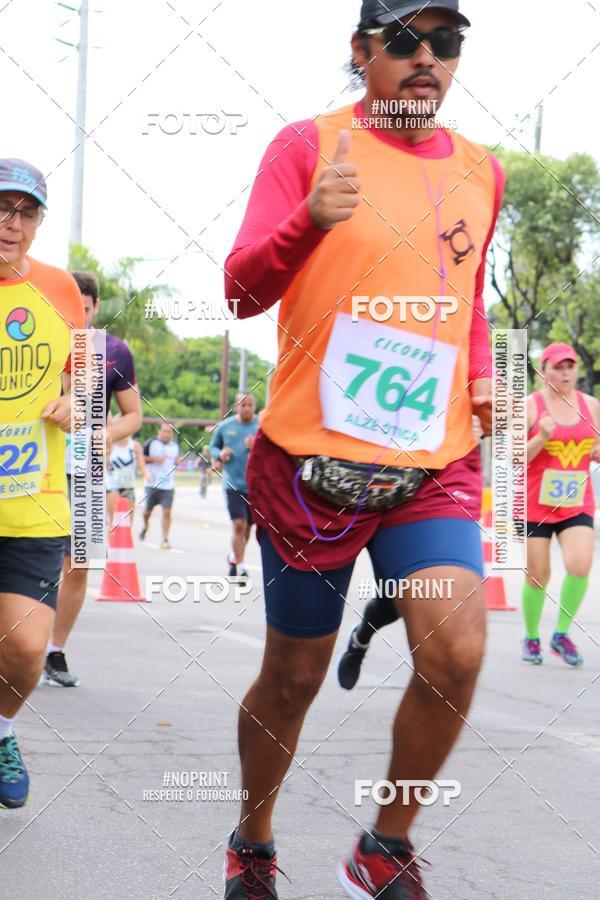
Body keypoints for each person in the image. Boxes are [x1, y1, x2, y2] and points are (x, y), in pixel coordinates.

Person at [222, 2, 505, 896]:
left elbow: (466, 301)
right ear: (361, 51)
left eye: (446, 42)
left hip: (433, 460)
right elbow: (238, 292)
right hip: (312, 465)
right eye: (404, 40)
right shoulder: (306, 145)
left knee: (457, 650)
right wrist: (306, 221)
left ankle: (384, 844)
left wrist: (483, 372)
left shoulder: (478, 171)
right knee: (294, 673)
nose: (427, 58)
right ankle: (255, 839)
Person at [0, 159, 85, 805]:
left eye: (26, 212)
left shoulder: (60, 289)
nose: (12, 223)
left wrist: (73, 404)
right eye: (3, 208)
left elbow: (84, 382)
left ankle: (1, 730)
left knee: (27, 649)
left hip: (34, 501)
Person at [43, 271, 142, 688]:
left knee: (78, 564)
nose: (77, 318)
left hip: (85, 468)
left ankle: (54, 651)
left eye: (84, 310)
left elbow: (133, 415)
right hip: (38, 465)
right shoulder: (41, 338)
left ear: (96, 307)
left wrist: (106, 433)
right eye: (71, 309)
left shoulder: (113, 351)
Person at [338, 416, 486, 690]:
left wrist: (482, 421)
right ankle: (359, 638)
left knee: (406, 598)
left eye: (571, 367)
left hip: (424, 484)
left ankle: (360, 640)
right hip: (343, 473)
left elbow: (494, 408)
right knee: (305, 655)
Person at [521, 343, 600, 667]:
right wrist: (540, 437)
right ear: (544, 371)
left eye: (570, 366)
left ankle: (561, 633)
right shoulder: (529, 406)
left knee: (579, 565)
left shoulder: (591, 405)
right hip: (534, 504)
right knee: (537, 576)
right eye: (557, 366)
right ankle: (531, 637)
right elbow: (514, 458)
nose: (565, 372)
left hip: (576, 502)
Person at [208, 392, 259, 578]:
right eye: (242, 405)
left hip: (254, 486)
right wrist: (220, 454)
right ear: (236, 406)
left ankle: (233, 556)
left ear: (254, 407)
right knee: (238, 524)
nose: (246, 408)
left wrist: (256, 446)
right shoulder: (225, 426)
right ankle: (242, 566)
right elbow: (212, 447)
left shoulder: (261, 426)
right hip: (232, 484)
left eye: (250, 405)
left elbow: (271, 451)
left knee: (247, 528)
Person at [139, 423, 182, 550]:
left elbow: (177, 460)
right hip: (152, 483)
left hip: (168, 485)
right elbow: (141, 458)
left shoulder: (175, 446)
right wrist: (154, 459)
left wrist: (178, 462)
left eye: (170, 432)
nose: (167, 434)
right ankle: (145, 526)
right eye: (165, 431)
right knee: (147, 512)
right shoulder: (151, 443)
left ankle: (165, 538)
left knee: (167, 512)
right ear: (159, 431)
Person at [106, 424, 147, 530]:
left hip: (129, 486)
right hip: (112, 485)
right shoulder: (110, 444)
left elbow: (141, 464)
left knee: (128, 520)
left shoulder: (135, 446)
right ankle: (111, 543)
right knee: (113, 519)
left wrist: (147, 475)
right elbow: (103, 463)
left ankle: (125, 544)